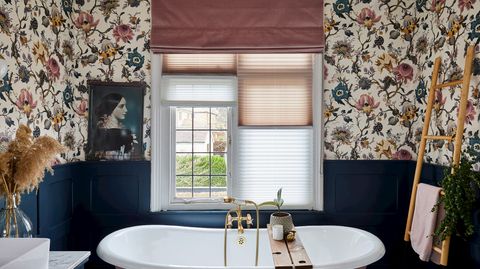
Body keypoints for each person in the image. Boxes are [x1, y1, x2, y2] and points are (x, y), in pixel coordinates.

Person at [91, 93, 136, 160]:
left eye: (125, 106)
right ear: (111, 107)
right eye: (121, 106)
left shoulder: (126, 131)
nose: (126, 110)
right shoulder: (102, 131)